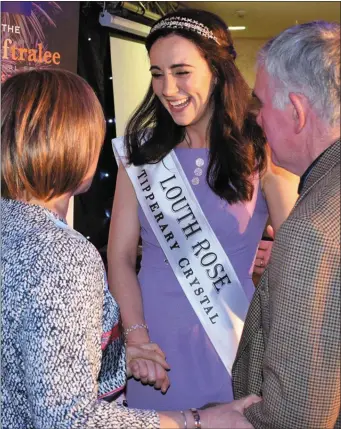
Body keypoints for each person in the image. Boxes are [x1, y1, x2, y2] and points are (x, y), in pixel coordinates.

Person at [1, 69, 260, 429]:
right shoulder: (64, 255)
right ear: (77, 145)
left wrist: (118, 358)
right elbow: (68, 420)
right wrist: (195, 420)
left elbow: (24, 362)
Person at [107, 8, 299, 412]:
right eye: (156, 73)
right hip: (154, 348)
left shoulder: (260, 150)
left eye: (181, 71)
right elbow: (121, 256)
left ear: (216, 71)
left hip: (232, 341)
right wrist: (137, 337)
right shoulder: (140, 153)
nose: (167, 87)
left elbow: (301, 250)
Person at [232, 20, 340, 428]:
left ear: (295, 111)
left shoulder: (312, 229)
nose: (256, 121)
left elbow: (296, 417)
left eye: (260, 104)